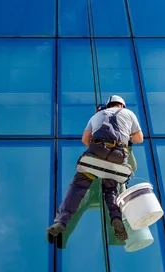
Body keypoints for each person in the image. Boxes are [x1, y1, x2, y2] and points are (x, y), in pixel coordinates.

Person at [47, 95, 144, 241]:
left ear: (108, 105)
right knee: (111, 189)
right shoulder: (129, 114)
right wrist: (127, 136)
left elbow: (85, 139)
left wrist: (98, 155)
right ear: (122, 106)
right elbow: (139, 138)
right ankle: (116, 218)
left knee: (78, 186)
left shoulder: (97, 115)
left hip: (97, 150)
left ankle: (61, 221)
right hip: (119, 154)